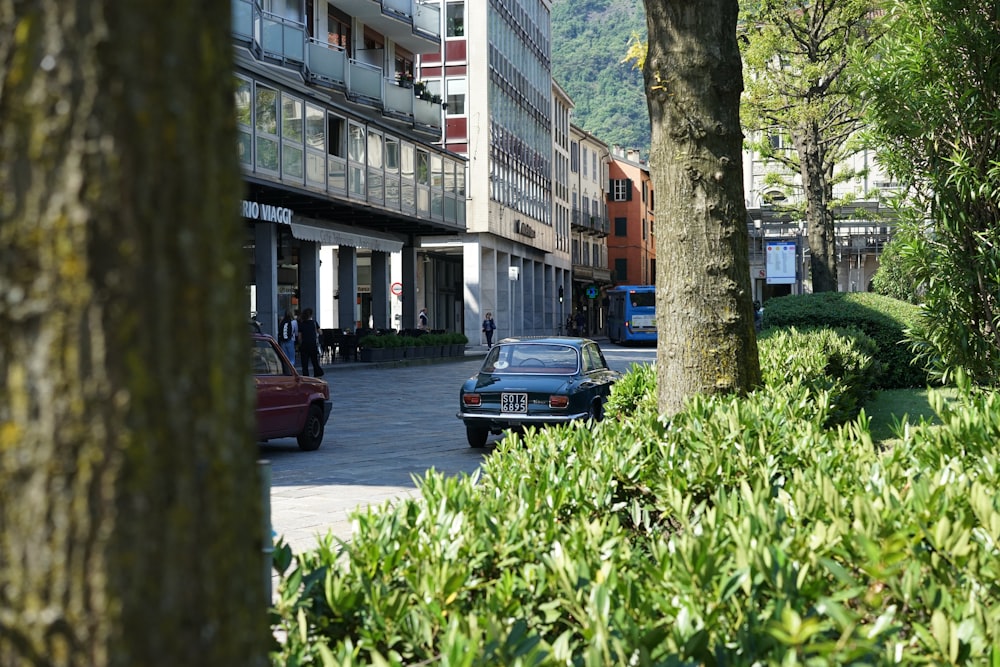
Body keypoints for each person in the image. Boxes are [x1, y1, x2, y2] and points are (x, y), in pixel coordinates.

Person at [298, 308, 324, 377]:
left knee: (304, 363)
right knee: (314, 361)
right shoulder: (314, 323)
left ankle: (306, 375)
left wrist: (300, 344)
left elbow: (300, 337)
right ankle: (317, 373)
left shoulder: (302, 324)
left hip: (304, 345)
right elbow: (320, 332)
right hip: (313, 344)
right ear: (311, 315)